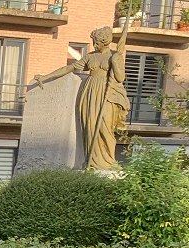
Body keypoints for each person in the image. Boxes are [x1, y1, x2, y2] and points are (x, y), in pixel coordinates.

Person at [32, 21, 131, 171]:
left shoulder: (115, 56)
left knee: (105, 127)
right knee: (90, 127)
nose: (94, 44)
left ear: (104, 42)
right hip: (90, 92)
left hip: (107, 93)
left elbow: (120, 77)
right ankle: (92, 161)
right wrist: (45, 77)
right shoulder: (90, 57)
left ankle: (108, 162)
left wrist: (116, 63)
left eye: (96, 42)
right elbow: (69, 68)